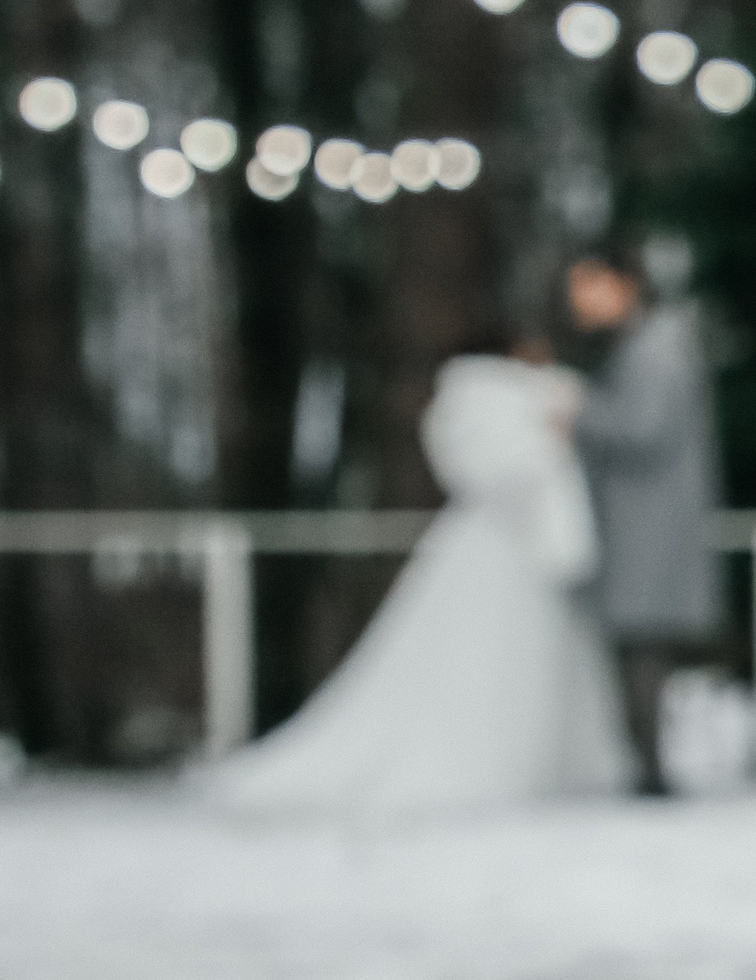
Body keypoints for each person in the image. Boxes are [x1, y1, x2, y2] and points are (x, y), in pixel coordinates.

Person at [205, 342, 631, 814]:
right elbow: (505, 474)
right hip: (500, 552)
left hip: (519, 553)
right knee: (478, 658)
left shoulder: (510, 399)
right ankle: (485, 757)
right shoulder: (484, 402)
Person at [565, 248, 723, 797]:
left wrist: (576, 414)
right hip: (642, 530)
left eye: (592, 286)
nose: (579, 301)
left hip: (647, 532)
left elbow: (644, 429)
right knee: (637, 649)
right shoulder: (649, 346)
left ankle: (649, 769)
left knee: (642, 649)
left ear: (628, 285)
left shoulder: (657, 350)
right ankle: (643, 765)